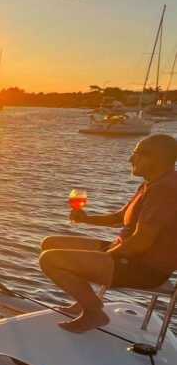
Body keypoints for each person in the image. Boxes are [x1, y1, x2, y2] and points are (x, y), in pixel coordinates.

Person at [40, 134, 177, 333]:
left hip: (144, 268)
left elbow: (142, 241)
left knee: (50, 260)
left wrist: (104, 257)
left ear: (156, 157)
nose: (130, 160)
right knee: (50, 243)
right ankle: (84, 300)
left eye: (136, 154)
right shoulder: (151, 184)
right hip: (129, 254)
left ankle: (94, 312)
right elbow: (121, 217)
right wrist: (87, 219)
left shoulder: (166, 190)